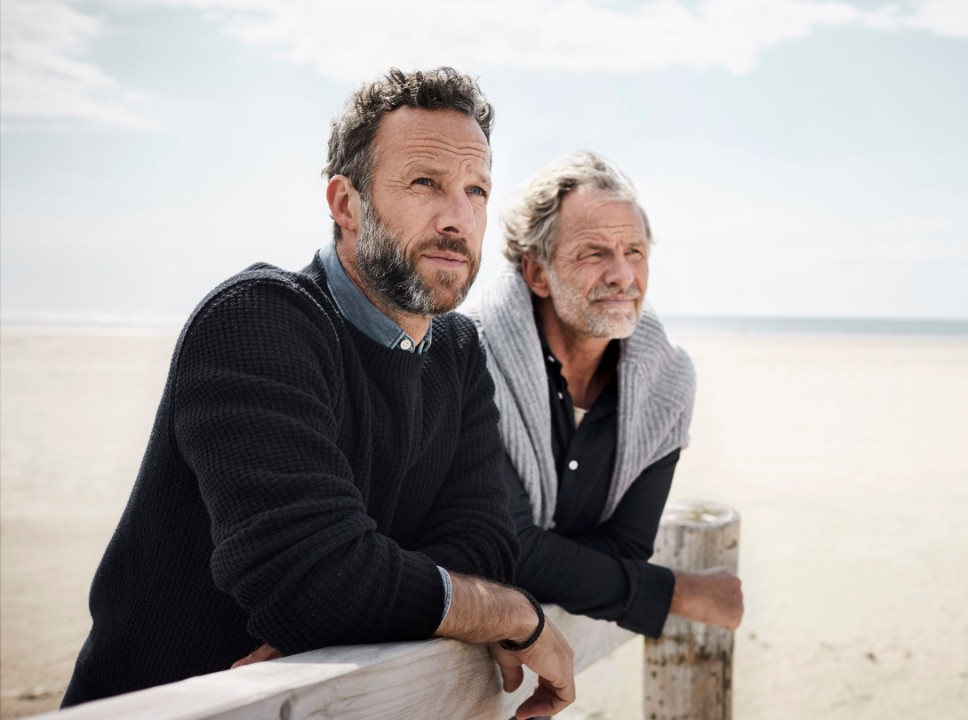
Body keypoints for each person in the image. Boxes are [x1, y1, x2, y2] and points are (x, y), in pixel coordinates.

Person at [62, 68, 574, 719]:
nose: (458, 216)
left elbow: (485, 542)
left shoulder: (459, 353)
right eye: (426, 183)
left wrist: (357, 606)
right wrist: (506, 612)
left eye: (476, 190)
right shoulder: (256, 322)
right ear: (345, 204)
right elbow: (312, 581)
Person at [471, 152, 743, 640]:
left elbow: (626, 545)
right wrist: (675, 593)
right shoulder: (471, 357)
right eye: (595, 252)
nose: (623, 275)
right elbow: (506, 548)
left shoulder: (668, 382)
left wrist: (551, 567)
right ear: (537, 274)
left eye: (634, 251)